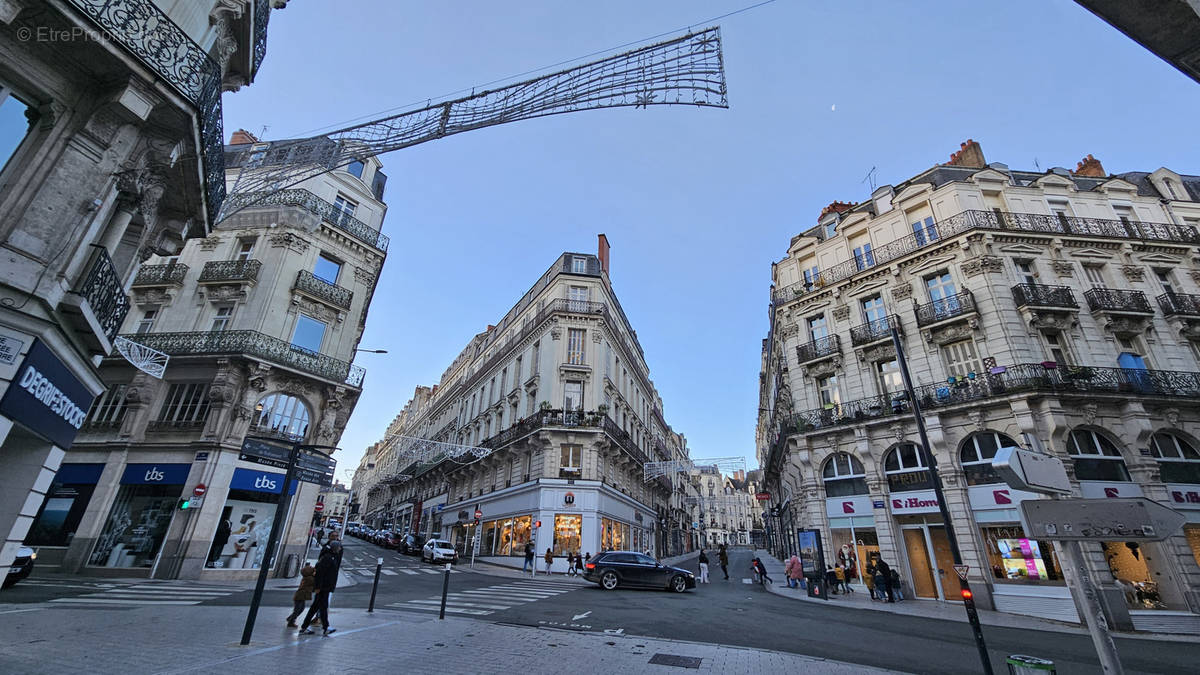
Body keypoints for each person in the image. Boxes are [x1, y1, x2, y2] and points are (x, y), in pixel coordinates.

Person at [299, 549, 338, 635]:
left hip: (324, 587)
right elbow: (321, 573)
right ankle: (326, 627)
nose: (339, 549)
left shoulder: (328, 557)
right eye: (338, 547)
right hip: (323, 588)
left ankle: (304, 627)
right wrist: (318, 587)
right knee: (323, 607)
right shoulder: (328, 558)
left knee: (315, 608)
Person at [286, 563, 315, 628]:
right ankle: (291, 622)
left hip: (301, 596)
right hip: (300, 596)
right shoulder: (309, 578)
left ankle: (290, 618)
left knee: (300, 609)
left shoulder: (306, 578)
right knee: (298, 610)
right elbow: (314, 582)